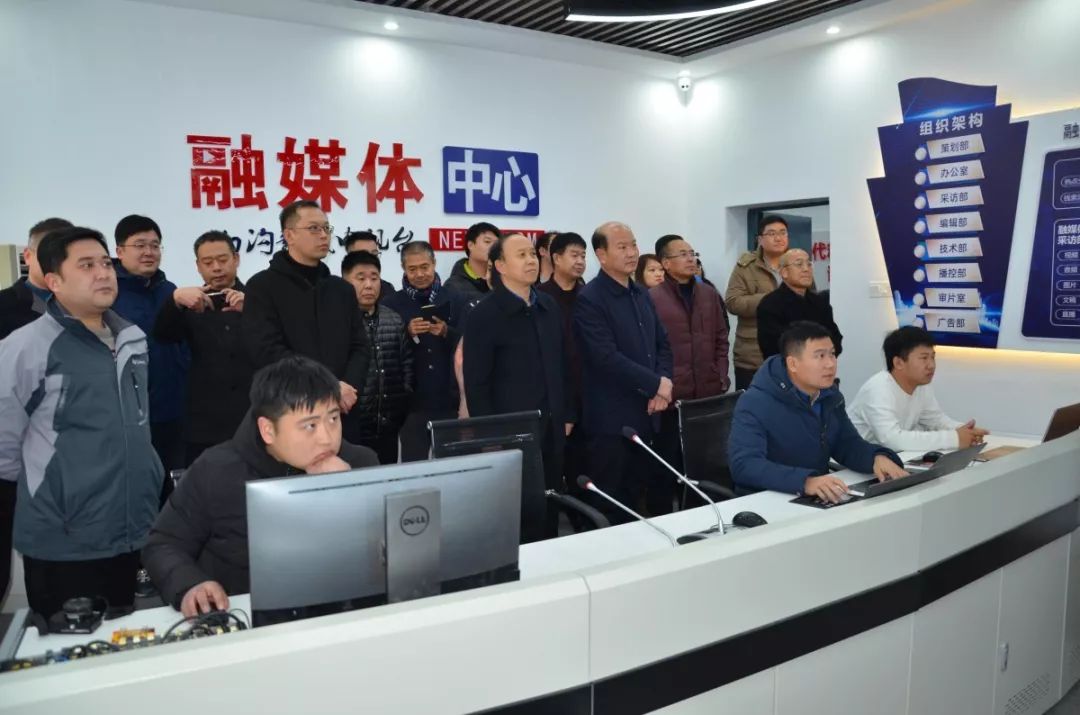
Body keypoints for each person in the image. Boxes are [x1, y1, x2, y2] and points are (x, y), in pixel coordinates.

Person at [0, 227, 163, 618]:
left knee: (122, 637)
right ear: (54, 281)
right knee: (65, 647)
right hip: (65, 539)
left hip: (130, 527)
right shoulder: (25, 347)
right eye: (86, 265)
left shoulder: (133, 339)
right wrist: (60, 494)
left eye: (105, 263)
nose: (103, 273)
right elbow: (4, 449)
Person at [142, 356, 379, 617]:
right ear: (268, 430)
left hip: (337, 620)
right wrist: (190, 585)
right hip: (245, 619)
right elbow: (163, 544)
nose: (326, 438)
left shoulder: (359, 463)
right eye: (310, 425)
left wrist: (346, 494)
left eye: (333, 419)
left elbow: (385, 557)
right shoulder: (217, 470)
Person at [728, 321, 907, 504]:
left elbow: (846, 444)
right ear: (793, 363)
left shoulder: (830, 396)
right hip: (766, 501)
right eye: (820, 356)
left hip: (816, 497)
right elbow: (744, 465)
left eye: (832, 354)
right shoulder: (755, 402)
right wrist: (805, 482)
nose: (830, 364)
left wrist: (875, 457)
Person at [463, 233, 567, 541]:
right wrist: (490, 436)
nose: (531, 260)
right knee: (519, 515)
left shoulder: (547, 305)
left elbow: (562, 364)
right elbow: (477, 383)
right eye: (521, 255)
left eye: (533, 254)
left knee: (551, 504)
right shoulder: (484, 314)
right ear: (500, 265)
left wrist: (567, 413)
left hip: (552, 425)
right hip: (510, 432)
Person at [574, 222, 673, 522]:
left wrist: (663, 384)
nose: (632, 253)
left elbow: (662, 344)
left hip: (647, 413)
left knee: (640, 496)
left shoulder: (641, 293)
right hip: (612, 420)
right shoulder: (590, 299)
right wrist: (656, 384)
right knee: (613, 504)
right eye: (622, 247)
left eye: (633, 245)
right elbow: (605, 358)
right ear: (601, 255)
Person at [242, 200, 368, 422]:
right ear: (289, 235)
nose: (324, 235)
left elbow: (360, 347)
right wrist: (328, 386)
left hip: (343, 408)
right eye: (314, 228)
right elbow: (267, 351)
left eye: (326, 228)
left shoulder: (341, 289)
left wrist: (347, 388)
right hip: (290, 408)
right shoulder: (262, 287)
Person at [0, 218, 72, 602]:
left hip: (70, 460)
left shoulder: (88, 313)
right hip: (13, 459)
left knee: (61, 568)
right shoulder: (4, 308)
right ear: (28, 257)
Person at [153, 231, 254, 466]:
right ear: (198, 267)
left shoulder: (257, 299)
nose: (216, 268)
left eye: (223, 260)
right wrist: (174, 301)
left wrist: (252, 308)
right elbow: (162, 335)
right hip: (205, 421)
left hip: (252, 414)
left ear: (236, 259)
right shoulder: (189, 304)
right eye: (208, 262)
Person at [112, 214, 190, 479]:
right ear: (120, 251)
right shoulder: (109, 294)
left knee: (175, 483)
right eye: (140, 245)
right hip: (130, 416)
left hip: (175, 409)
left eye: (155, 245)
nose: (149, 252)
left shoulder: (170, 290)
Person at [650, 234, 730, 475]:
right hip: (672, 397)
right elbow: (650, 348)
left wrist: (721, 375)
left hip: (708, 395)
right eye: (683, 254)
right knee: (670, 466)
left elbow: (721, 338)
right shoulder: (652, 298)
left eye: (692, 254)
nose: (690, 259)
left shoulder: (709, 294)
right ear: (666, 263)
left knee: (707, 465)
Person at [382, 242, 466, 461]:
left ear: (434, 264)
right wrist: (406, 332)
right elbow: (384, 349)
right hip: (412, 401)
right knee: (414, 463)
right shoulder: (391, 303)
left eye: (424, 267)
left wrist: (447, 332)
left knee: (453, 463)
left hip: (449, 398)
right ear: (403, 269)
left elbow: (469, 343)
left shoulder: (455, 298)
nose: (419, 274)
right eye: (412, 269)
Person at [848, 326, 988, 452]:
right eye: (924, 358)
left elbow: (936, 420)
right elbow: (892, 440)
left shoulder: (921, 386)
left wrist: (965, 431)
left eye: (933, 357)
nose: (931, 365)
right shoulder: (878, 389)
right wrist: (954, 438)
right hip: (853, 464)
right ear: (898, 363)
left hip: (890, 458)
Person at [341, 251, 413, 465]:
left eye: (374, 278)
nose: (369, 285)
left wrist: (402, 403)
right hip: (351, 426)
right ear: (345, 281)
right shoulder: (339, 320)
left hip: (389, 425)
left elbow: (407, 364)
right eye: (360, 278)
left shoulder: (393, 319)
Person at [537, 232, 587, 489]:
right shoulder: (539, 298)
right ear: (556, 258)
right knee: (555, 474)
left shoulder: (590, 296)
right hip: (555, 401)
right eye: (574, 255)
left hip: (590, 397)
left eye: (583, 256)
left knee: (588, 471)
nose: (580, 261)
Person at [726, 215, 789, 391]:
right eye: (772, 233)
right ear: (760, 239)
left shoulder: (798, 264)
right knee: (754, 405)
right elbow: (733, 302)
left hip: (791, 353)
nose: (778, 238)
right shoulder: (746, 266)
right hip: (753, 355)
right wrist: (771, 299)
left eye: (783, 233)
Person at [755, 248, 842, 360]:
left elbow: (835, 338)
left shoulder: (820, 302)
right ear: (784, 272)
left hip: (821, 365)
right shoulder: (770, 304)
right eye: (799, 264)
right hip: (786, 368)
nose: (806, 269)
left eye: (809, 264)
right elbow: (772, 347)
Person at [0, 218, 73, 340]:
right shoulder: (3, 306)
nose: (60, 262)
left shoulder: (91, 304)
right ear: (28, 256)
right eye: (51, 254)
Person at [444, 222, 499, 299]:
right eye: (487, 241)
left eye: (496, 244)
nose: (493, 247)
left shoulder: (504, 281)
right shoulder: (453, 286)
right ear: (470, 245)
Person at [343, 230, 395, 300]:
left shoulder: (387, 290)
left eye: (374, 254)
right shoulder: (335, 291)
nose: (370, 259)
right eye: (364, 255)